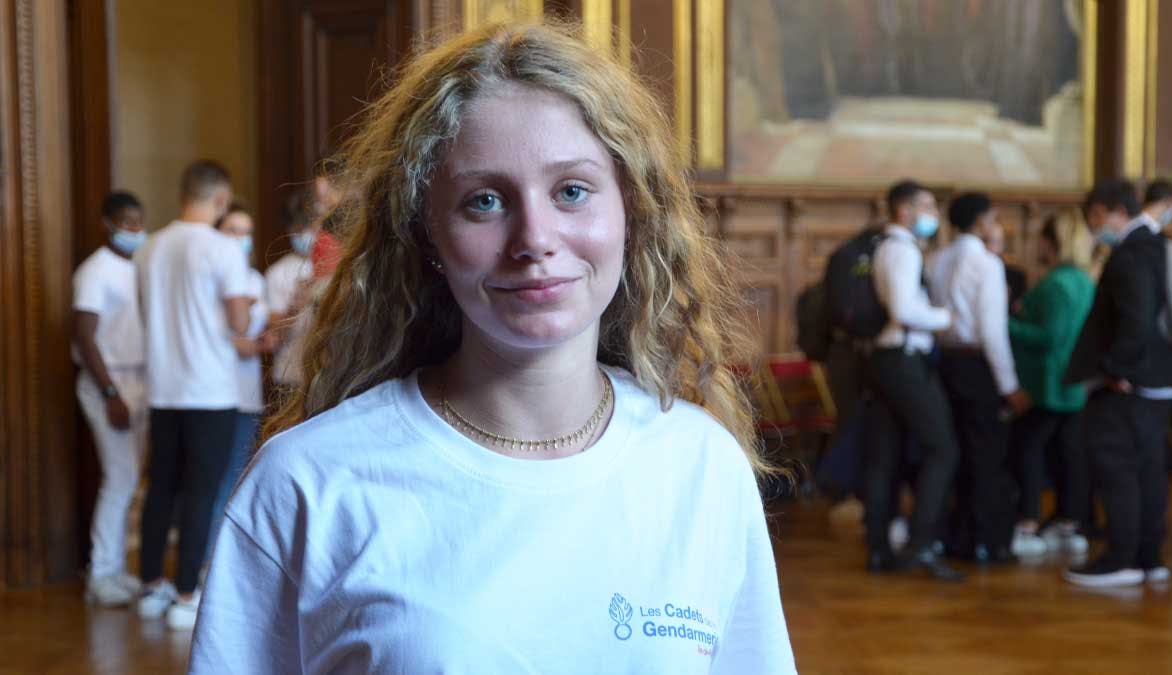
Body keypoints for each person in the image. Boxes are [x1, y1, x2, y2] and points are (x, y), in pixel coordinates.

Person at [190, 23, 795, 673]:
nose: (535, 237)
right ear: (427, 234)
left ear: (631, 208)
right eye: (484, 201)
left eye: (571, 190)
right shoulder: (306, 482)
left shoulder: (702, 465)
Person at [135, 160, 252, 630]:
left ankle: (150, 586)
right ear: (221, 200)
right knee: (202, 492)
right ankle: (187, 592)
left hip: (163, 387)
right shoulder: (223, 249)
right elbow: (240, 323)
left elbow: (148, 314)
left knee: (160, 488)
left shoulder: (149, 249)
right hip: (210, 390)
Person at [1064, 178, 1172, 587]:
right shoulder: (1159, 244)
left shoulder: (1131, 253)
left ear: (1105, 211)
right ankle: (1148, 556)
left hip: (1134, 381)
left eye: (1093, 218)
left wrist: (1116, 369)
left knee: (1117, 466)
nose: (1093, 225)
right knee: (1148, 468)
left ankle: (1122, 558)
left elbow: (1135, 320)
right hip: (1164, 375)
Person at [861, 179, 963, 581]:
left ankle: (879, 548)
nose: (933, 214)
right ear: (904, 211)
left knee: (884, 456)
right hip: (903, 359)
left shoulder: (888, 247)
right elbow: (904, 310)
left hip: (887, 360)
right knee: (943, 448)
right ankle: (921, 544)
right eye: (926, 206)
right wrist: (945, 318)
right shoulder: (902, 249)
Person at [928, 192, 1030, 564]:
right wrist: (1010, 385)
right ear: (982, 222)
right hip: (978, 367)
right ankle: (990, 541)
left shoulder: (935, 259)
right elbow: (992, 331)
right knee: (987, 455)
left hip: (945, 363)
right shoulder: (986, 263)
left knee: (956, 453)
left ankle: (958, 537)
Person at [73, 191, 149, 606]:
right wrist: (109, 393)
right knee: (119, 478)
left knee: (129, 478)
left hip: (137, 379)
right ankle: (101, 574)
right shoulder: (94, 271)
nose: (134, 229)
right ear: (108, 223)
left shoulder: (136, 267)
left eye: (139, 221)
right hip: (109, 384)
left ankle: (116, 569)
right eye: (126, 222)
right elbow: (84, 334)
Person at [1008, 209, 1095, 557]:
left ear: (1051, 242)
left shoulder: (1058, 282)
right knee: (1067, 453)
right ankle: (1068, 520)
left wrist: (1005, 323)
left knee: (1028, 451)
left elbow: (1049, 336)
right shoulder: (1082, 280)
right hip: (1071, 381)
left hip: (1048, 382)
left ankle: (1028, 521)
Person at [205, 204, 273, 566]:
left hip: (249, 391)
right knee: (215, 481)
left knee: (238, 480)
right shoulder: (210, 279)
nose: (240, 239)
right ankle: (207, 564)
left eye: (246, 231)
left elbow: (259, 331)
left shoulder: (254, 280)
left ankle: (228, 562)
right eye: (233, 230)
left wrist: (263, 342)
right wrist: (241, 344)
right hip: (217, 390)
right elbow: (208, 333)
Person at [264, 190, 316, 388]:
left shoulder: (336, 266)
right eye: (298, 228)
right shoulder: (277, 272)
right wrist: (298, 302)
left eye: (310, 227)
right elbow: (275, 336)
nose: (304, 234)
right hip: (290, 375)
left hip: (326, 374)